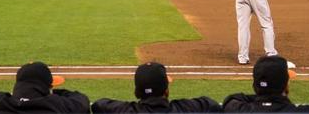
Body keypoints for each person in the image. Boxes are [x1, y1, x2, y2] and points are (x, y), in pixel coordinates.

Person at [223, 56, 309, 112]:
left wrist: (264, 96)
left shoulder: (236, 108)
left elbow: (232, 98)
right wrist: (272, 97)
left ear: (255, 86)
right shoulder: (304, 112)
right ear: (285, 85)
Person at [92, 62, 221, 113]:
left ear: (136, 92)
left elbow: (98, 105)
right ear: (166, 90)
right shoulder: (184, 109)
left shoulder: (127, 111)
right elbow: (211, 104)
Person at [0, 61, 90, 114]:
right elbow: (82, 101)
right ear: (45, 87)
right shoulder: (57, 104)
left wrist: (17, 96)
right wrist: (53, 93)